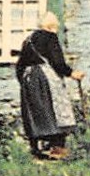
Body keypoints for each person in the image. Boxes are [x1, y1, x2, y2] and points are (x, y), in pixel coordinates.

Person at [15, 11, 84, 160]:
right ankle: (57, 149)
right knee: (55, 109)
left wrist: (24, 81)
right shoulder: (50, 38)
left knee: (35, 111)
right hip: (45, 78)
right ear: (53, 26)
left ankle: (36, 149)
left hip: (29, 79)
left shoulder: (28, 40)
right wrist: (71, 73)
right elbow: (57, 62)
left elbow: (19, 65)